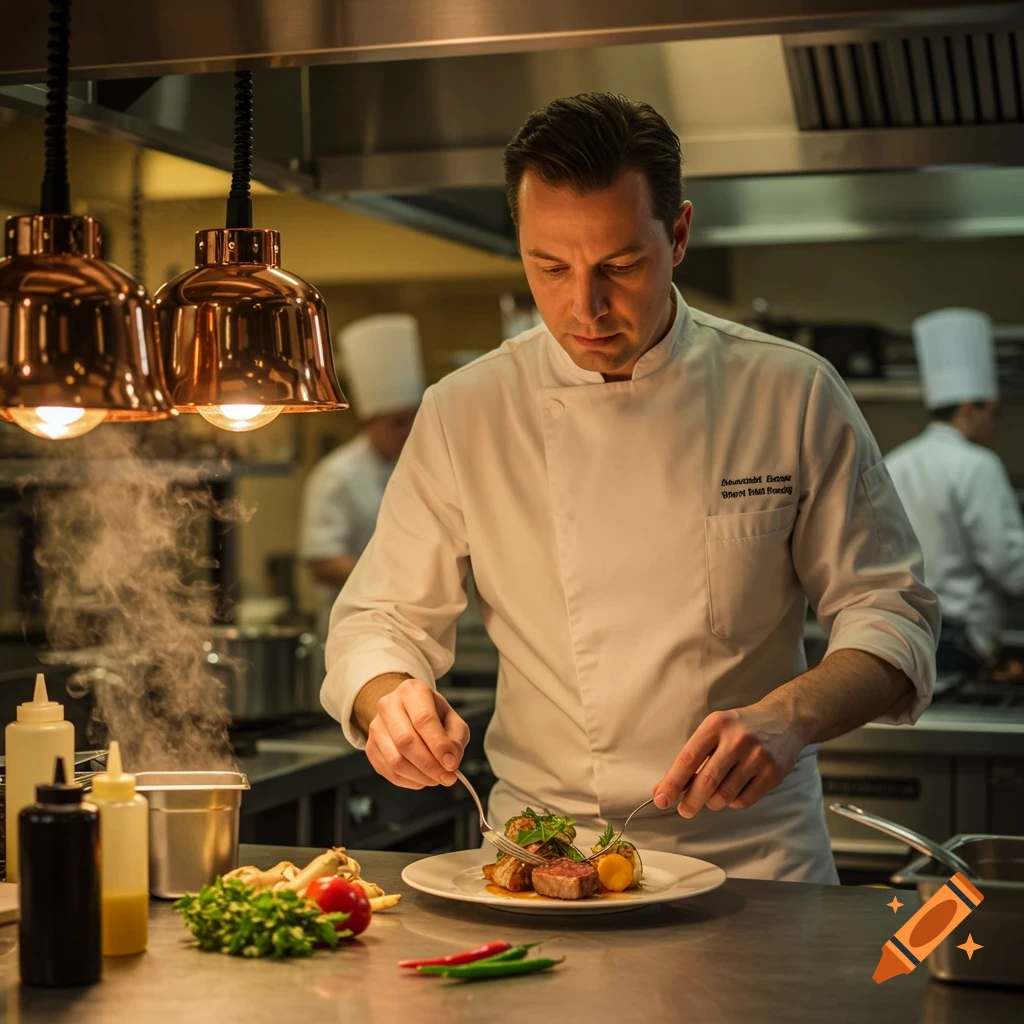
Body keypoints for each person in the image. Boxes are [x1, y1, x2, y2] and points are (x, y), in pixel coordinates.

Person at [321, 93, 939, 883]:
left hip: (752, 863)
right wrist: (389, 700)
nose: (584, 307)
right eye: (550, 267)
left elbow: (892, 612)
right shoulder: (465, 411)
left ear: (677, 235)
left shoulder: (790, 393)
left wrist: (791, 716)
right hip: (539, 857)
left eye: (619, 266)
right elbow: (379, 618)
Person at [886, 309, 1024, 671]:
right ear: (968, 409)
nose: (995, 424)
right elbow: (1008, 565)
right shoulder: (978, 465)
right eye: (993, 412)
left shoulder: (894, 462)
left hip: (904, 635)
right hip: (961, 641)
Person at [299, 313, 425, 637]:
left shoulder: (421, 467)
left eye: (414, 420)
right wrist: (392, 581)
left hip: (415, 623)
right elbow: (323, 560)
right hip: (354, 625)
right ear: (370, 420)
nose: (408, 432)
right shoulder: (337, 474)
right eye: (398, 422)